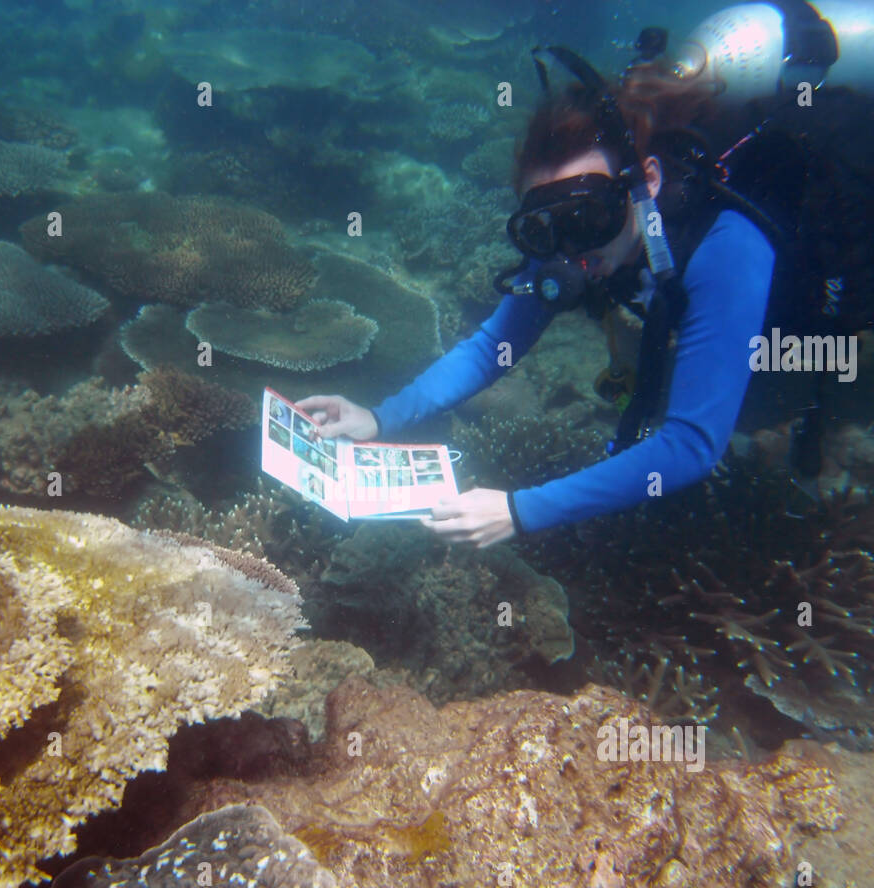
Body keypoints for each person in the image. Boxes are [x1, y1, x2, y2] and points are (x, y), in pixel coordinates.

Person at [298, 51, 775, 548]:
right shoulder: (574, 241)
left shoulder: (729, 248)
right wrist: (379, 418)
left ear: (646, 183)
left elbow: (694, 443)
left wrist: (519, 510)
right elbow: (489, 350)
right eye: (547, 228)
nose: (573, 248)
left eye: (589, 217)